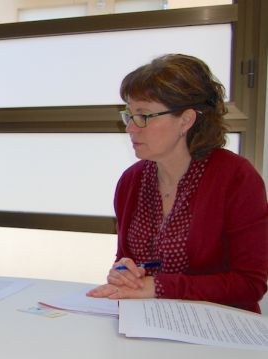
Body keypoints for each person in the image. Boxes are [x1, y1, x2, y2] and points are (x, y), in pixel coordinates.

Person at [87, 54, 268, 313]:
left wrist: (157, 287)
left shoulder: (236, 177)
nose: (130, 129)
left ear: (186, 120)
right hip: (150, 322)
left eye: (144, 116)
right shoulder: (132, 181)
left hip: (220, 330)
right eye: (129, 115)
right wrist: (124, 273)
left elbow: (249, 284)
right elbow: (126, 258)